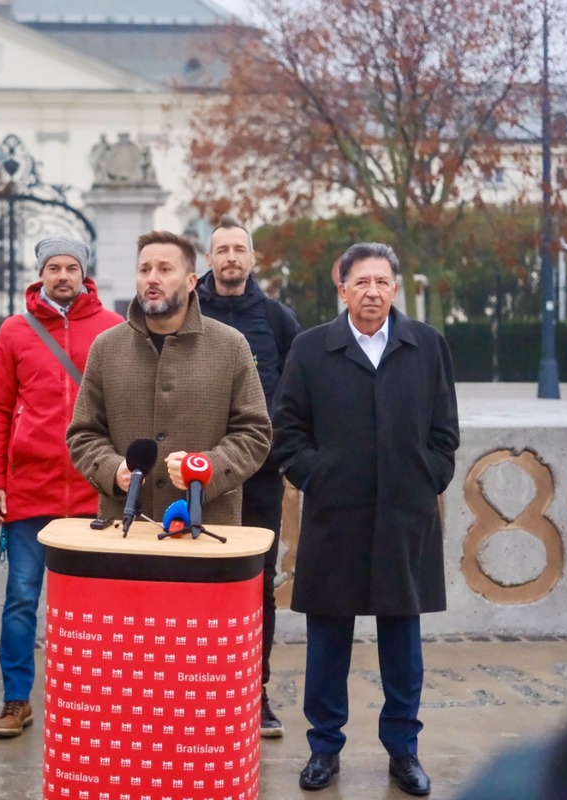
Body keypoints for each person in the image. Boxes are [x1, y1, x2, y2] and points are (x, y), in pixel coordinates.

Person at [269, 242, 459, 795]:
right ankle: (324, 749)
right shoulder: (310, 350)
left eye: (382, 281)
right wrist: (318, 475)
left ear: (395, 287)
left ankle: (404, 752)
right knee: (328, 642)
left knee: (403, 644)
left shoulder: (426, 346)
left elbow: (445, 432)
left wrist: (426, 475)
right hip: (335, 519)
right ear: (342, 288)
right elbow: (287, 433)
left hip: (406, 520)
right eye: (361, 282)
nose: (372, 291)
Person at [0, 236, 123, 738]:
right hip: (30, 491)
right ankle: (17, 700)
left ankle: (93, 700)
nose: (62, 276)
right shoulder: (15, 332)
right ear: (39, 274)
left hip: (94, 493)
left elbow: (125, 413)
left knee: (96, 606)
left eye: (71, 267)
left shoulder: (112, 329)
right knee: (21, 599)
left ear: (84, 273)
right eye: (53, 268)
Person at [67, 229, 270, 527]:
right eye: (144, 270)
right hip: (126, 531)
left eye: (164, 269)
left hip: (206, 528)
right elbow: (82, 434)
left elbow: (254, 433)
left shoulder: (231, 345)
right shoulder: (106, 347)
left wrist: (208, 468)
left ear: (191, 282)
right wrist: (112, 469)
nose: (152, 278)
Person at [196, 217, 301, 738]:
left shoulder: (279, 320)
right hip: (190, 478)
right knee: (189, 585)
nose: (231, 257)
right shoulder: (185, 310)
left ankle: (252, 693)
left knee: (256, 587)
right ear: (208, 258)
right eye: (222, 249)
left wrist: (280, 453)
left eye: (240, 249)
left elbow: (296, 395)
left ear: (253, 258)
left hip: (258, 478)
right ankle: (192, 688)